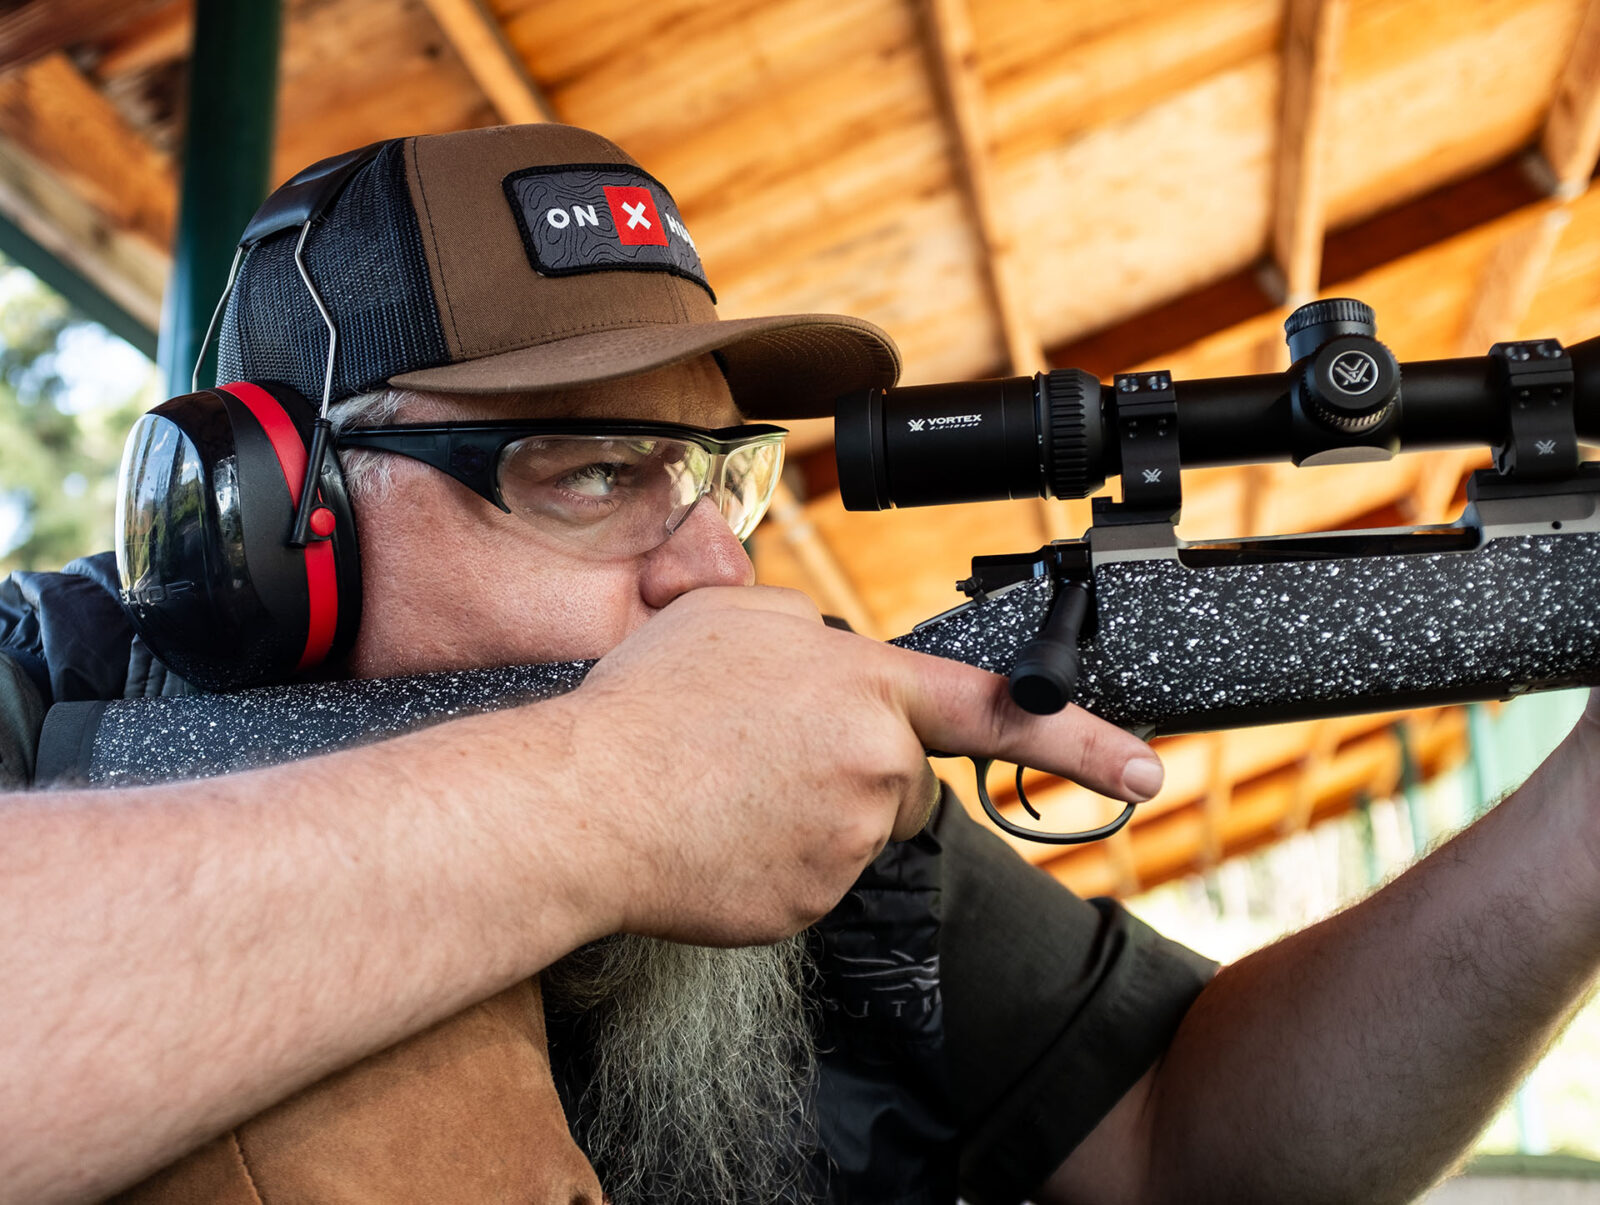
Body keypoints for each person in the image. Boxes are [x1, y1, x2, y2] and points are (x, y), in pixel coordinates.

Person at [1, 122, 1598, 1205]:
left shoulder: (809, 794)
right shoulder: (44, 696)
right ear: (277, 527)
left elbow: (1190, 1144)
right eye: (589, 474)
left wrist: (1577, 836)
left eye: (721, 475)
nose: (717, 574)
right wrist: (605, 798)